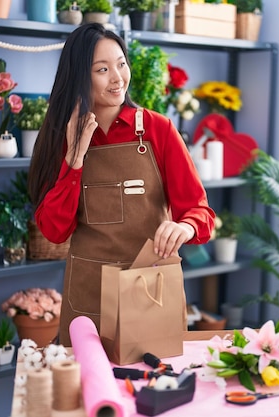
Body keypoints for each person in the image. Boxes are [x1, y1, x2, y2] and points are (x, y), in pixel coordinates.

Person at [28, 23, 215, 346]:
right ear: (78, 76)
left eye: (121, 64)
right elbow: (54, 231)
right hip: (88, 302)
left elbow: (201, 213)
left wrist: (185, 227)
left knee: (154, 391)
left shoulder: (159, 130)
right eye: (102, 69)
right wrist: (75, 159)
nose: (118, 78)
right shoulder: (60, 138)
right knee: (89, 394)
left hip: (151, 294)